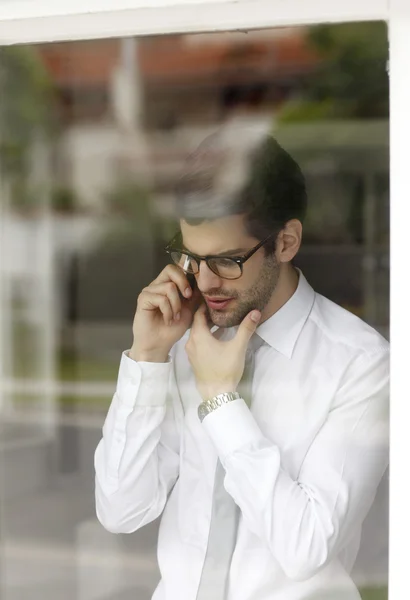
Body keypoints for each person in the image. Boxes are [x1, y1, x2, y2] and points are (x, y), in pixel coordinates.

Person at [94, 125, 389, 600]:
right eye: (192, 256)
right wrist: (146, 358)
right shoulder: (182, 339)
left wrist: (221, 401)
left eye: (228, 260)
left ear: (286, 242)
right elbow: (120, 509)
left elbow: (306, 547)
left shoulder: (361, 364)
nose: (205, 281)